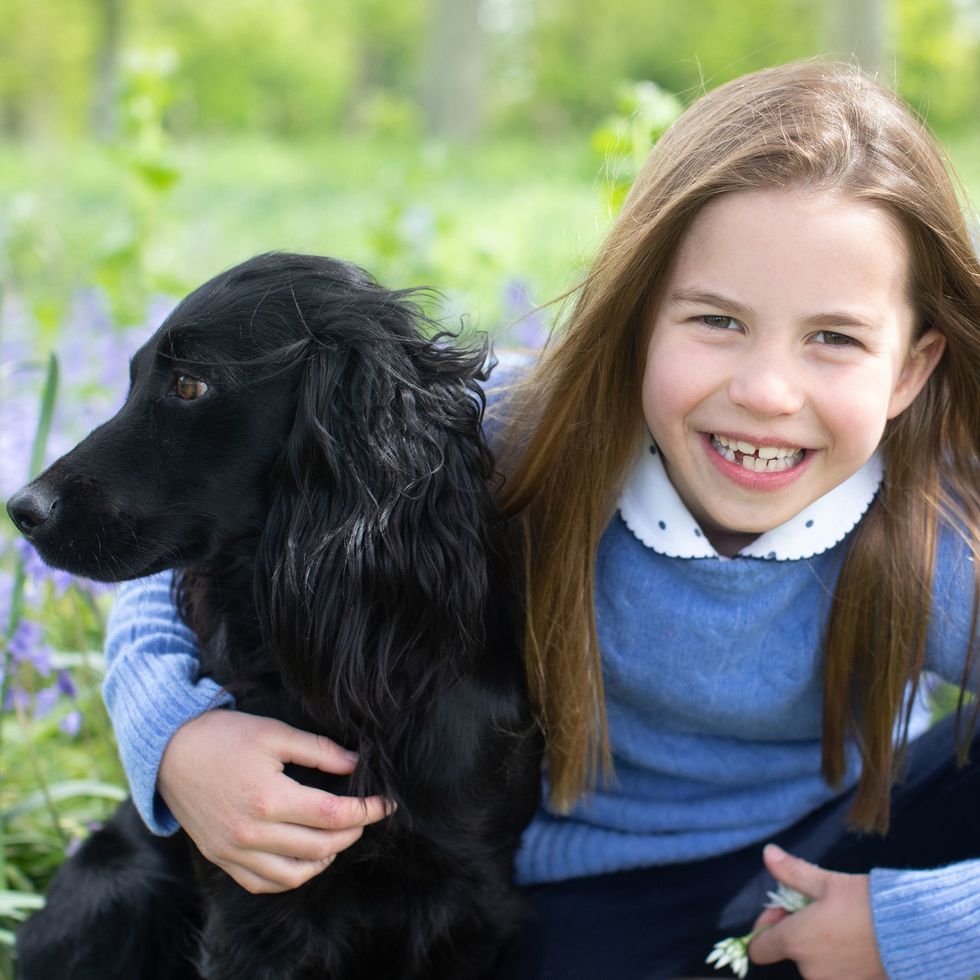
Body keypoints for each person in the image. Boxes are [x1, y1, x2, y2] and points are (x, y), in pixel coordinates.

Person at [102, 60, 980, 979]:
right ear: (639, 319)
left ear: (911, 370)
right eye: (717, 321)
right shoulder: (531, 441)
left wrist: (912, 927)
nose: (764, 392)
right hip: (600, 890)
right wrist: (177, 740)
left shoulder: (935, 532)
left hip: (839, 842)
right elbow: (190, 557)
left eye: (833, 339)